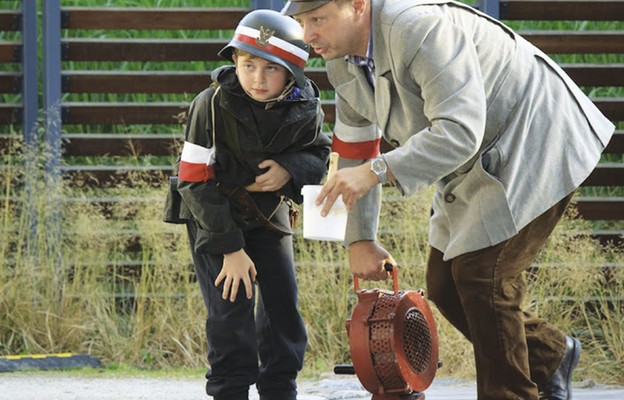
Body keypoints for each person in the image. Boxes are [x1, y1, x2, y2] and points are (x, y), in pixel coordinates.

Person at [282, 1, 615, 399]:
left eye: (317, 19)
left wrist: (377, 172)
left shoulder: (418, 28)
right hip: (476, 158)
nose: (308, 35)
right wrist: (360, 239)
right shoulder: (342, 63)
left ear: (357, 5)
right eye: (302, 23)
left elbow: (458, 130)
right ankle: (550, 356)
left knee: (483, 276)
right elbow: (356, 148)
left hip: (536, 136)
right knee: (444, 286)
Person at [163, 8, 331, 400]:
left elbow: (319, 155)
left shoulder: (307, 107)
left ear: (292, 74)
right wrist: (232, 249)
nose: (257, 77)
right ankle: (230, 391)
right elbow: (192, 179)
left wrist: (290, 170)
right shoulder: (211, 104)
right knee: (230, 311)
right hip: (213, 217)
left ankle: (279, 389)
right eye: (248, 64)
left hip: (270, 215)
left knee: (282, 309)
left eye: (271, 69)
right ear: (235, 61)